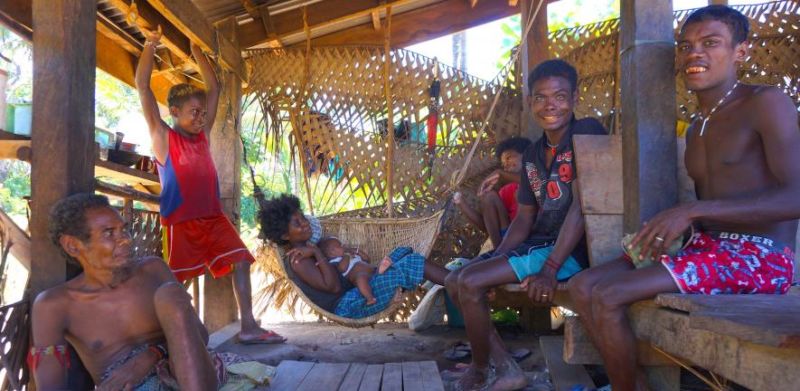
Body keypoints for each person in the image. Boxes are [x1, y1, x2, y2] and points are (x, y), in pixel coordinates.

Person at [567, 5, 800, 390]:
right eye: (687, 45)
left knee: (608, 295)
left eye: (711, 43)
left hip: (763, 257)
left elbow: (797, 196)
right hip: (708, 249)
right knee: (581, 286)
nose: (695, 53)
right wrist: (677, 234)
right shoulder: (696, 128)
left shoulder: (766, 103)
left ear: (740, 51)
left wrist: (692, 210)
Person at [445, 59, 607, 390]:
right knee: (454, 279)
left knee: (470, 281)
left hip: (574, 248)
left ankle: (487, 370)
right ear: (530, 101)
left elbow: (583, 206)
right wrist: (496, 256)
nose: (551, 105)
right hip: (540, 242)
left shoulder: (586, 131)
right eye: (541, 97)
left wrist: (550, 268)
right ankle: (499, 366)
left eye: (560, 96)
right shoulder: (533, 154)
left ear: (574, 97)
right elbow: (524, 217)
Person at [135, 27, 283, 344]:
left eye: (203, 113)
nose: (202, 117)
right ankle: (154, 336)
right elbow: (142, 87)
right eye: (194, 112)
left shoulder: (202, 136)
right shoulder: (164, 137)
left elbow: (214, 88)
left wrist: (198, 51)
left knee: (242, 260)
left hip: (213, 218)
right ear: (174, 113)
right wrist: (151, 44)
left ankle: (248, 326)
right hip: (181, 223)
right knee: (176, 285)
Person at [30, 193, 223, 390]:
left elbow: (200, 334)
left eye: (124, 230)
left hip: (191, 375)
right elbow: (49, 385)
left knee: (170, 295)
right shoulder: (53, 305)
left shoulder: (152, 270)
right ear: (72, 245)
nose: (125, 240)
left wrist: (152, 355)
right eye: (109, 233)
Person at [258, 194, 450, 319]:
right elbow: (333, 287)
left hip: (357, 292)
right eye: (297, 223)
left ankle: (456, 280)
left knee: (404, 252)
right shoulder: (299, 260)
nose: (305, 224)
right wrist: (316, 253)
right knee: (413, 263)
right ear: (284, 235)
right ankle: (457, 281)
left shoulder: (309, 247)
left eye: (303, 217)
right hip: (348, 305)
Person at [454, 137, 532, 249]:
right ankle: (499, 251)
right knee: (489, 197)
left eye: (509, 158)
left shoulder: (542, 176)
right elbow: (487, 227)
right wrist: (461, 203)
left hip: (534, 237)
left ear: (527, 154)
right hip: (508, 239)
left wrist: (499, 173)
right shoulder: (507, 190)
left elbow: (531, 182)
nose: (506, 165)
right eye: (503, 164)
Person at [318, 237, 393, 306]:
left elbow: (367, 259)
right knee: (361, 278)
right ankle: (370, 298)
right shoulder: (335, 261)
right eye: (340, 245)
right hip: (363, 278)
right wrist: (346, 255)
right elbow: (342, 269)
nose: (343, 246)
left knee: (383, 262)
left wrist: (357, 251)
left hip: (373, 270)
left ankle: (381, 271)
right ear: (332, 253)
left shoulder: (352, 255)